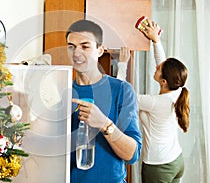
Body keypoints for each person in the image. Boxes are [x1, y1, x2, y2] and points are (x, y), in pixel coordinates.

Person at [66, 19, 142, 183]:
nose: (76, 53)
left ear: (100, 50)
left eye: (85, 46)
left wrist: (104, 124)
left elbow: (132, 155)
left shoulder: (122, 91)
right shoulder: (62, 92)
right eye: (71, 46)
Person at [117, 18, 190, 183]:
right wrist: (156, 40)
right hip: (176, 161)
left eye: (159, 69)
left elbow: (123, 94)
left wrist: (122, 64)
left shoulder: (154, 102)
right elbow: (162, 63)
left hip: (159, 166)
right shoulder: (178, 89)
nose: (157, 66)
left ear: (163, 81)